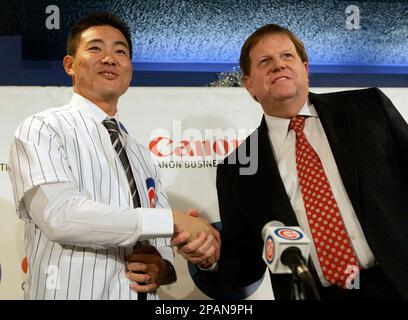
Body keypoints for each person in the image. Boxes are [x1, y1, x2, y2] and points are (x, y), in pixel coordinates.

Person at [175, 24, 408, 299]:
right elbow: (246, 262)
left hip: (396, 281)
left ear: (305, 69)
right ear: (249, 85)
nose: (278, 66)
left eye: (287, 56)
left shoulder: (368, 108)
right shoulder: (238, 167)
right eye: (265, 61)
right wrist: (211, 256)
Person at [8, 12, 219, 300]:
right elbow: (59, 216)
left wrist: (162, 268)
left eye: (120, 51)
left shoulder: (140, 154)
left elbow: (161, 250)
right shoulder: (43, 128)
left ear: (129, 69)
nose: (109, 58)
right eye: (95, 48)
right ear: (70, 65)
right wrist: (172, 220)